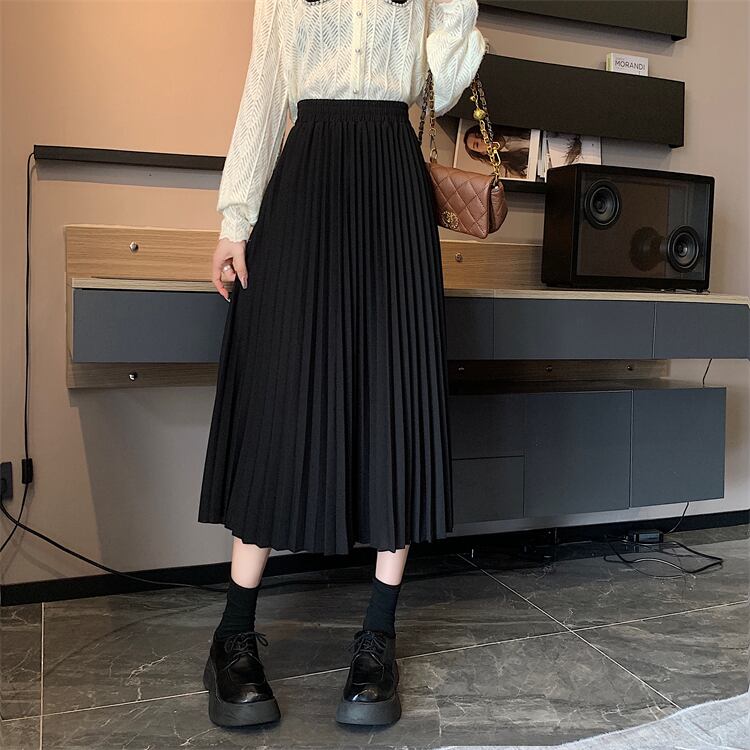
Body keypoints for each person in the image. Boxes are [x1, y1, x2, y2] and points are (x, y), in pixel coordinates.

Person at [198, 0, 486, 729]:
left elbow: (447, 84)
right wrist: (236, 219)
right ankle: (233, 634)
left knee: (395, 391)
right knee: (281, 395)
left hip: (393, 182)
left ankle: (378, 639)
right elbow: (265, 88)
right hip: (306, 179)